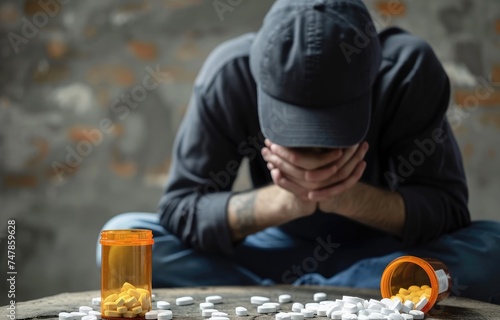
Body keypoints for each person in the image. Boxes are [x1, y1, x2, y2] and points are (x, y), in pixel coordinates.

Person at [98, 0, 500, 304]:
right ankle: (338, 296)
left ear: (372, 74)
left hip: (381, 254)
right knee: (121, 241)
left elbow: (447, 209)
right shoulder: (230, 73)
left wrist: (347, 197)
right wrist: (286, 201)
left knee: (492, 247)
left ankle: (284, 296)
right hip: (269, 249)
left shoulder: (407, 70)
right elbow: (181, 209)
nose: (314, 145)